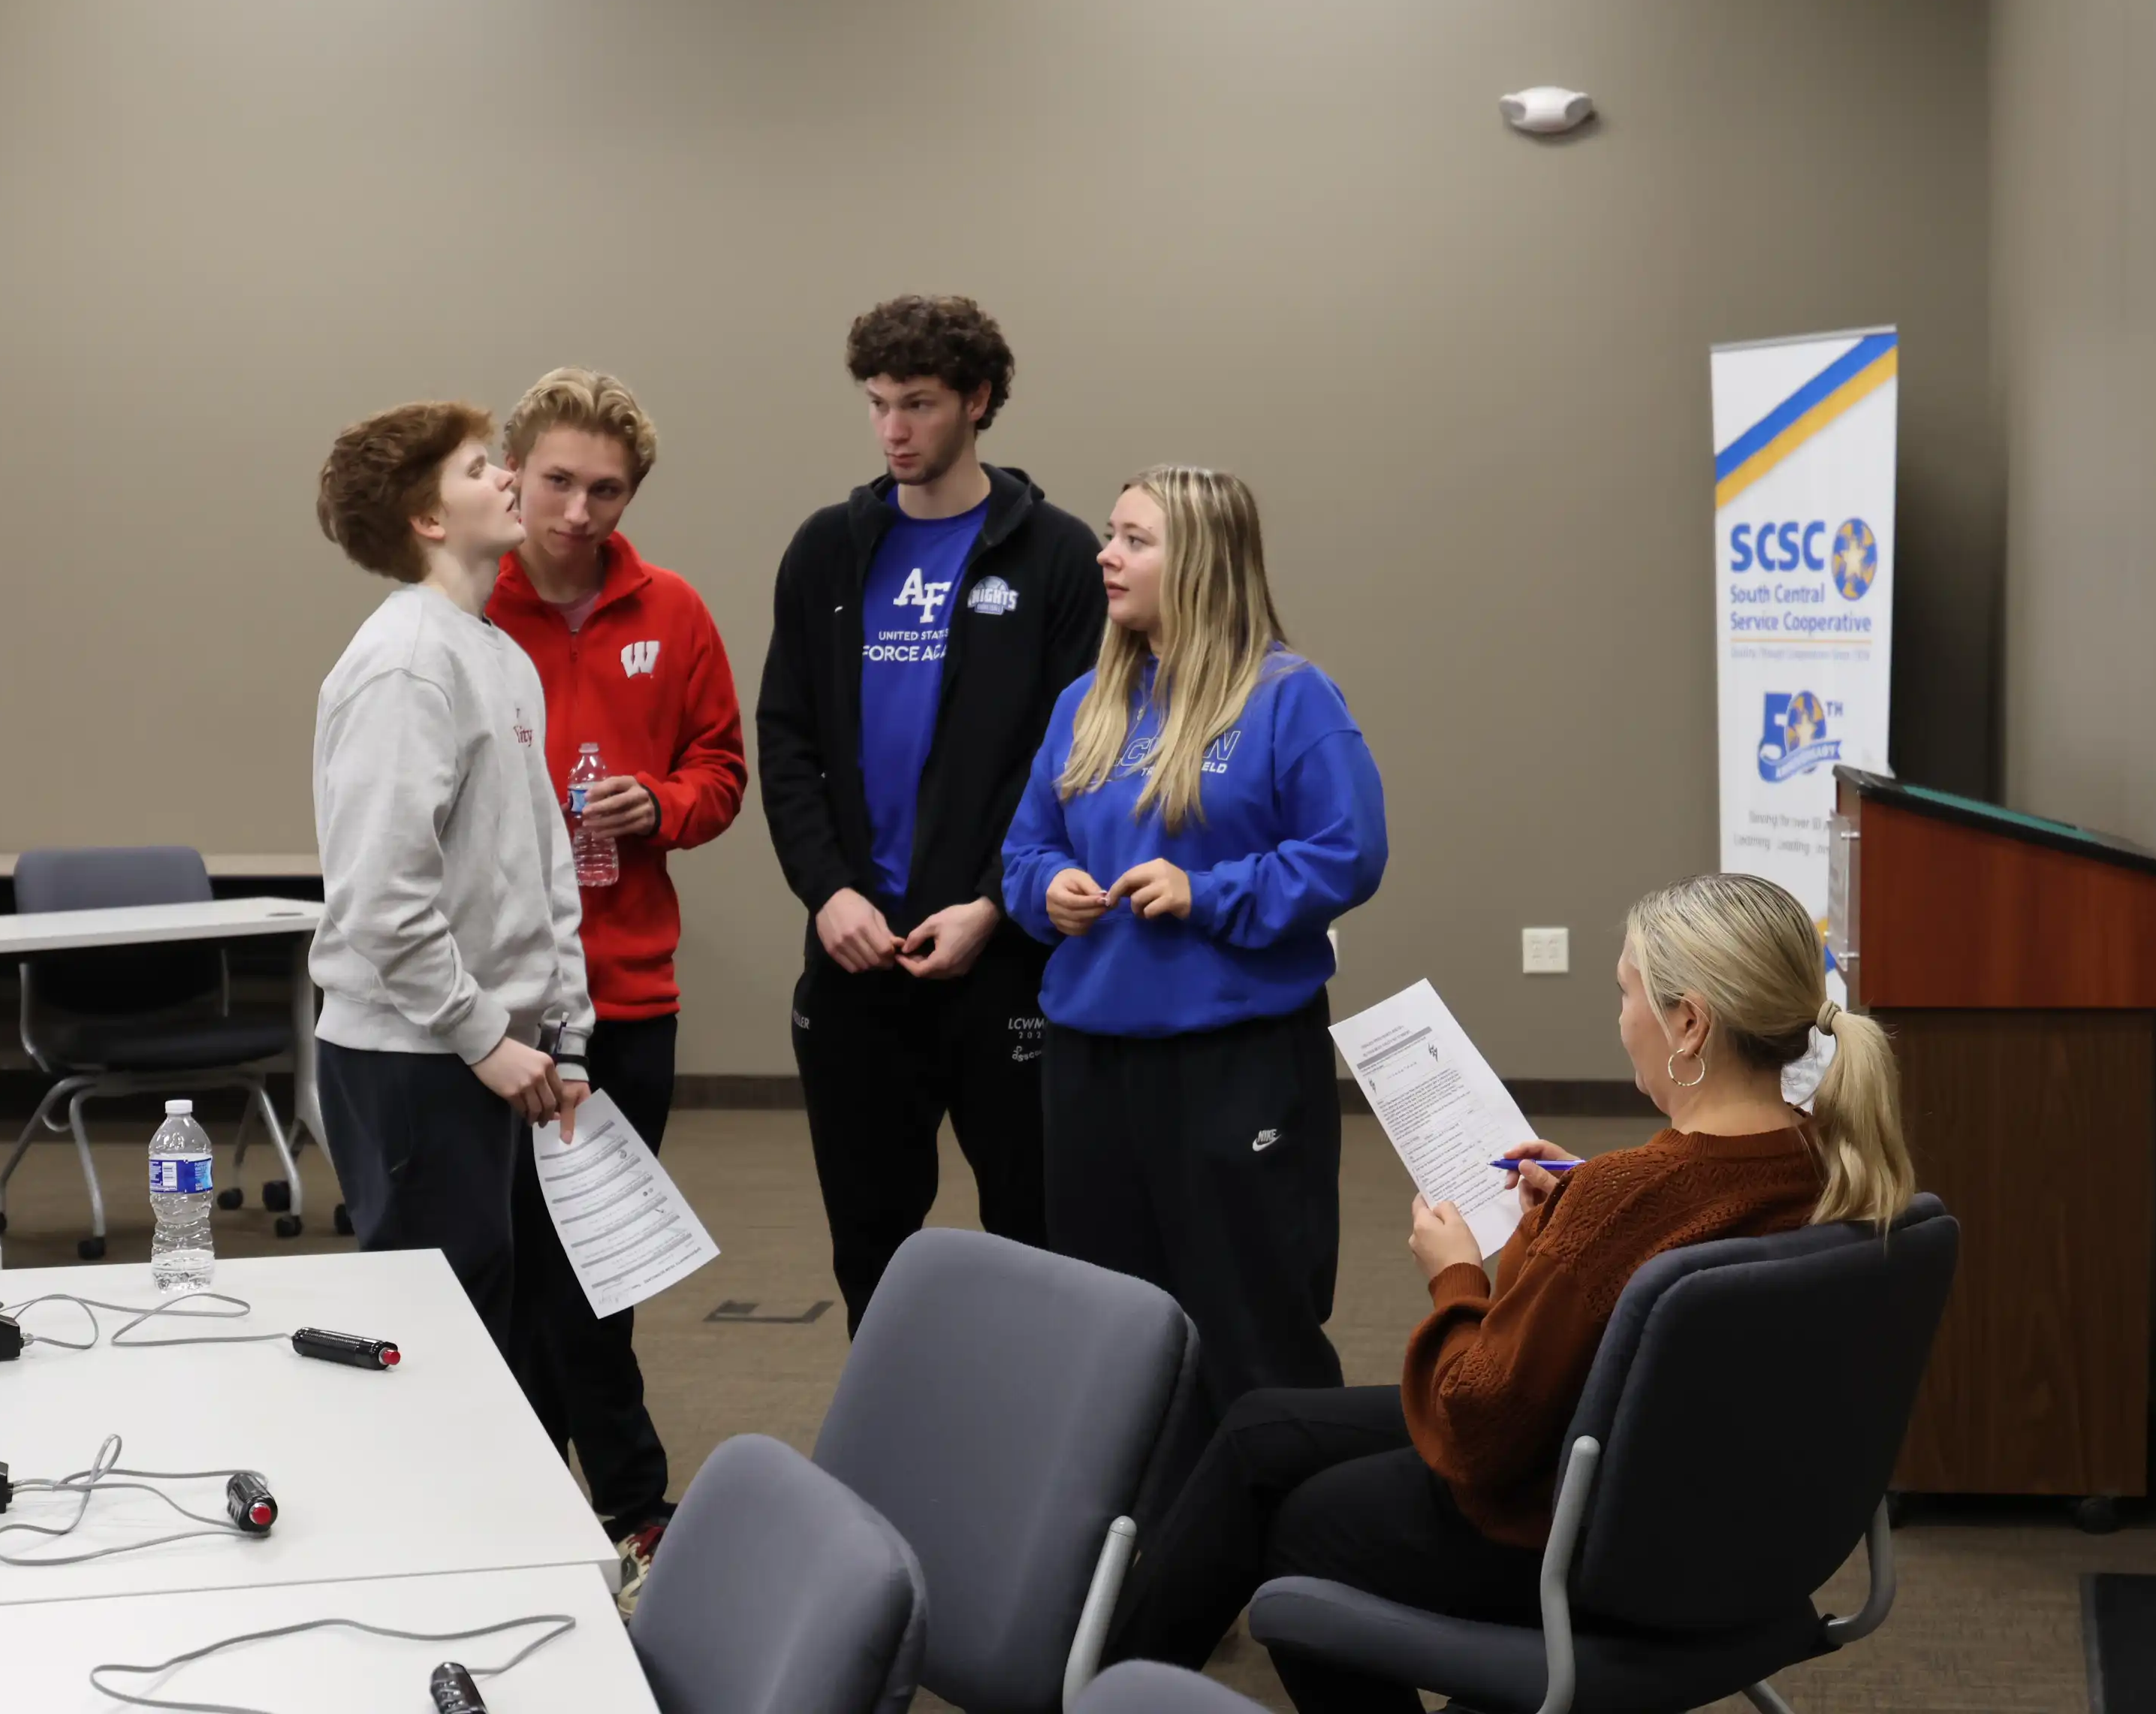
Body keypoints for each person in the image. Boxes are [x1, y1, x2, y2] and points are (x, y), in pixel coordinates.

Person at [1105, 873, 1917, 1714]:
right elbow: (1677, 1226)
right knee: (1261, 1431)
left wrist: (1454, 1273)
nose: (1620, 1019)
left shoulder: (1627, 1198)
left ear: (1689, 1022)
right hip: (1728, 1519)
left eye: (1625, 993)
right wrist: (1579, 1205)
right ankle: (1104, 1689)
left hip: (1583, 1537)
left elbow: (1475, 1428)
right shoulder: (1840, 1164)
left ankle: (1098, 1691)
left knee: (1304, 1529)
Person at [1001, 465, 1387, 1416]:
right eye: (1110, 533)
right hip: (1091, 1062)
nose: (1106, 554)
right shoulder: (1085, 701)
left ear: (1202, 561)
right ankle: (1134, 1550)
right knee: (1111, 1329)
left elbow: (1349, 853)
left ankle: (1283, 1550)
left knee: (1252, 1327)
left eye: (1135, 539)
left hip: (1235, 1062)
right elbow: (1022, 849)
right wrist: (1049, 888)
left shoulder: (1289, 698)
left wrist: (1204, 890)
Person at [755, 294, 1105, 1330]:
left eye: (918, 403)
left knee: (1038, 1238)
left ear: (978, 401)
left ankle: (1048, 1466)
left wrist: (994, 906)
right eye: (877, 404)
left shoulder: (1054, 555)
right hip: (858, 956)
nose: (893, 429)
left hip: (1001, 960)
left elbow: (1076, 763)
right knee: (873, 1245)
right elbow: (788, 741)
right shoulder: (828, 550)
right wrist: (828, 893)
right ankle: (890, 1457)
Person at [484, 367, 746, 1604]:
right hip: (494, 1010)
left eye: (606, 490)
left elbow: (724, 768)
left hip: (627, 996)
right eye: (558, 482)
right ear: (512, 472)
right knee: (506, 1277)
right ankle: (549, 1499)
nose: (579, 512)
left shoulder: (673, 610)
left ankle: (630, 1512)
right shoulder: (466, 615)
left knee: (595, 1267)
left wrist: (671, 805)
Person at [309, 401, 591, 1348]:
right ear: (429, 521)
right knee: (438, 1340)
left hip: (486, 1052)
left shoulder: (499, 655)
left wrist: (567, 1034)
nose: (508, 477)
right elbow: (379, 900)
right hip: (411, 1055)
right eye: (480, 469)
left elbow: (545, 865)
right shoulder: (405, 664)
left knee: (492, 1315)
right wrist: (482, 1037)